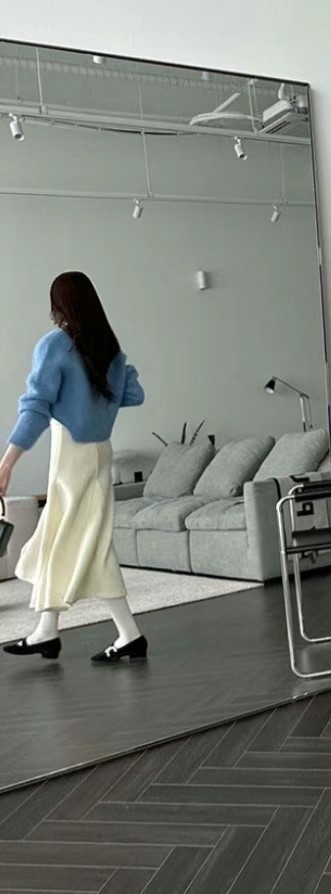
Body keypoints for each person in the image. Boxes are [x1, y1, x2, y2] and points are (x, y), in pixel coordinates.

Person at [0, 271, 149, 664]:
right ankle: (57, 632)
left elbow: (35, 408)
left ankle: (106, 634)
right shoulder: (109, 350)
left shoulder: (55, 345)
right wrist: (119, 368)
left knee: (74, 539)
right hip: (99, 453)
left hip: (69, 455)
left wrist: (7, 462)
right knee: (72, 539)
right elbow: (134, 395)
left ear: (59, 305)